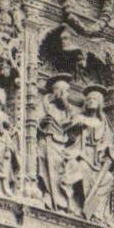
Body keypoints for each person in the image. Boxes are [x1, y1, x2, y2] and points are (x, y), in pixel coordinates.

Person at [63, 88, 114, 222]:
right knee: (83, 169)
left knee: (108, 178)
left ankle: (95, 212)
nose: (91, 101)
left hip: (97, 160)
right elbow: (68, 134)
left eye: (95, 99)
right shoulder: (80, 118)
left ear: (100, 103)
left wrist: (109, 157)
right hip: (82, 154)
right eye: (89, 99)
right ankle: (80, 207)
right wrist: (76, 128)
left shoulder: (105, 125)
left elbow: (109, 145)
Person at [36, 76, 74, 212]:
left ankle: (62, 201)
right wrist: (42, 122)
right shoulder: (45, 105)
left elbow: (71, 126)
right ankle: (49, 195)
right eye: (66, 91)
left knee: (62, 168)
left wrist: (67, 107)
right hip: (47, 140)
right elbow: (34, 120)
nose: (68, 95)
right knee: (46, 161)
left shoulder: (65, 111)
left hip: (60, 144)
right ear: (59, 91)